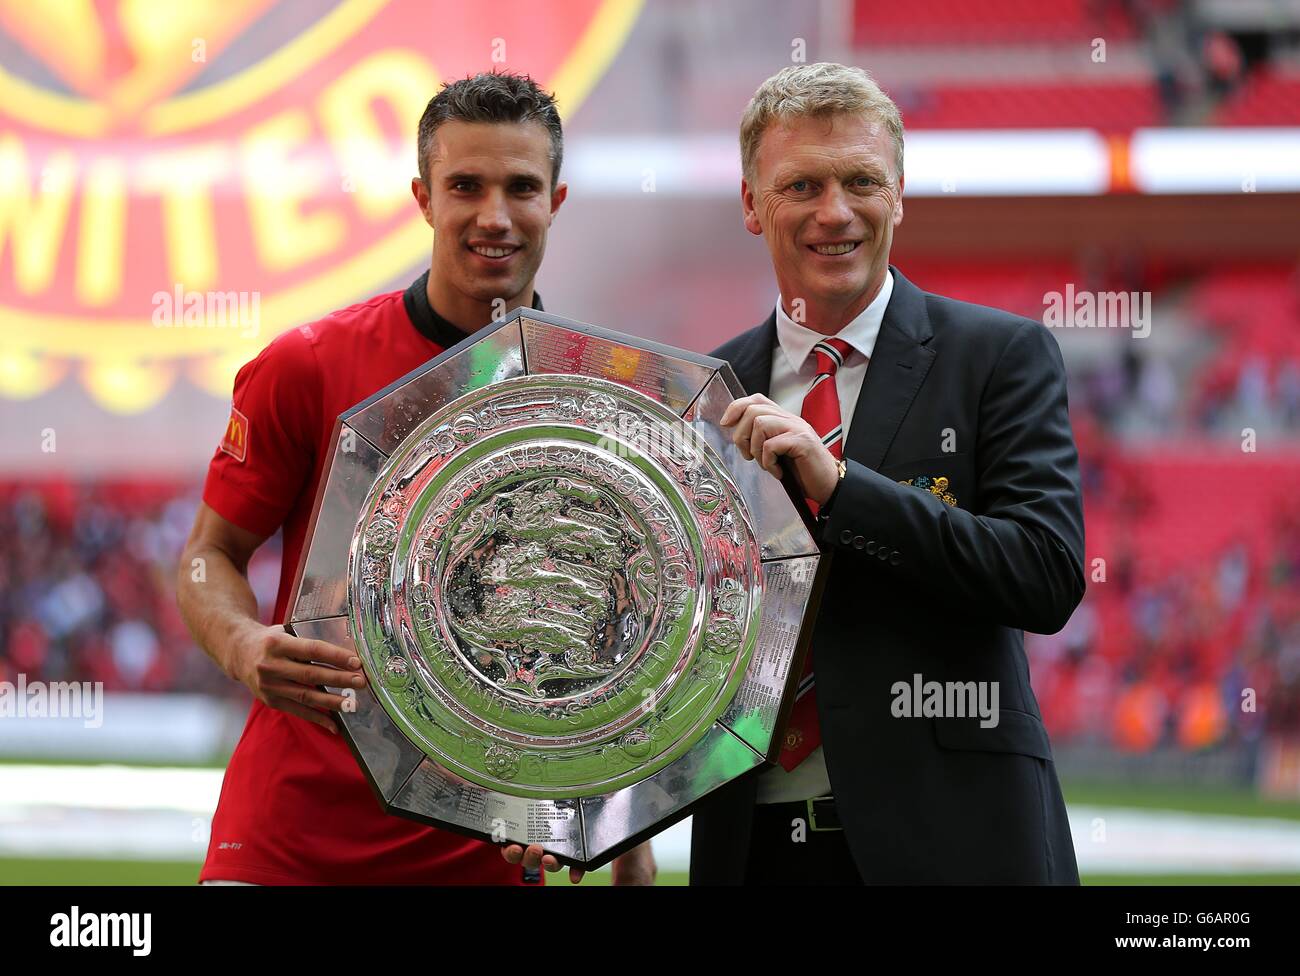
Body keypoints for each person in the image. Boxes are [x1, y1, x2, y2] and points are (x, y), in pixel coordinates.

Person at [176, 70, 654, 884]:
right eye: (465, 185)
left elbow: (616, 640)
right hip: (292, 838)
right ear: (423, 198)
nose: (494, 216)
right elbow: (205, 557)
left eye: (521, 187)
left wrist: (626, 838)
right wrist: (243, 643)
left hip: (489, 848)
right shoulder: (308, 367)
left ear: (556, 200)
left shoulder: (596, 401)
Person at [690, 62, 1084, 884]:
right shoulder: (703, 393)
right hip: (751, 845)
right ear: (751, 204)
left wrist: (843, 492)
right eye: (801, 185)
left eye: (861, 180)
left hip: (956, 841)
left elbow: (1045, 576)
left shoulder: (998, 358)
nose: (835, 212)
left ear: (899, 194)